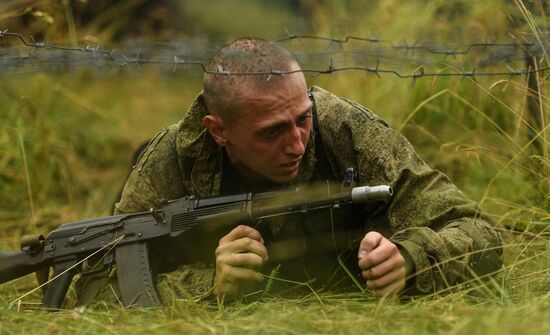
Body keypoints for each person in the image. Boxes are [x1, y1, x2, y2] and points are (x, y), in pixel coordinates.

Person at [75, 37, 502, 305]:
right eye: (272, 132)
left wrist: (411, 259)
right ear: (218, 130)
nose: (296, 144)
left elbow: (478, 231)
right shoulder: (170, 160)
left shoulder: (346, 130)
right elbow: (96, 287)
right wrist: (209, 287)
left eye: (302, 119)